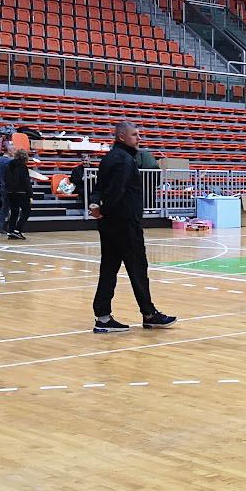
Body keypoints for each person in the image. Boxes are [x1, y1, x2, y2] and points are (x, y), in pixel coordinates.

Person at [89, 120, 176, 332]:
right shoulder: (125, 160)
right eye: (135, 134)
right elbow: (116, 191)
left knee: (108, 269)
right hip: (125, 224)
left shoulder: (109, 158)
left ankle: (103, 317)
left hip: (109, 224)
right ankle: (149, 314)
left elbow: (98, 188)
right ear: (122, 137)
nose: (139, 138)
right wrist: (104, 209)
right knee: (138, 269)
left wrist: (95, 205)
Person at [3, 147, 34, 240]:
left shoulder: (9, 165)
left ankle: (11, 231)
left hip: (10, 192)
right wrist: (30, 195)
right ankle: (17, 230)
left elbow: (6, 178)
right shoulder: (23, 167)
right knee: (26, 210)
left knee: (14, 212)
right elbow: (26, 182)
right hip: (21, 192)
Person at [0, 140, 13, 238]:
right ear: (9, 151)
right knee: (9, 208)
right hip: (8, 187)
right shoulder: (8, 161)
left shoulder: (1, 160)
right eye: (13, 150)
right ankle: (9, 228)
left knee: (5, 208)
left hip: (3, 186)